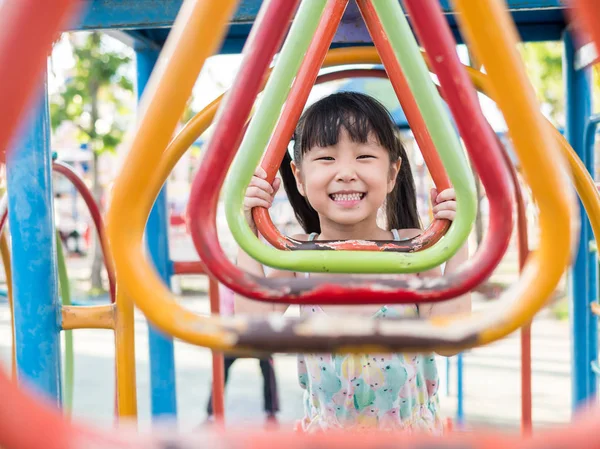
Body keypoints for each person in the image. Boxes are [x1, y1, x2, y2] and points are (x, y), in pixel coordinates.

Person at [235, 92, 470, 434]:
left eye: (364, 156)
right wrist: (248, 228)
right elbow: (254, 333)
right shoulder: (296, 254)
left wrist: (457, 237)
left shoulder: (413, 247)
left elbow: (452, 338)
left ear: (392, 173)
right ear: (299, 177)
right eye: (327, 158)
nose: (346, 173)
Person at [205, 283, 280, 426]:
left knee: (267, 363)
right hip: (235, 334)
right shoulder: (226, 286)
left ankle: (271, 411)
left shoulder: (254, 284)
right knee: (220, 366)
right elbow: (222, 313)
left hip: (255, 333)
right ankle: (211, 412)